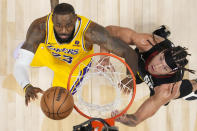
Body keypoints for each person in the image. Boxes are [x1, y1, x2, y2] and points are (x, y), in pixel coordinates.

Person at [13, 2, 138, 106]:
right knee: (19, 54)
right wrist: (26, 86)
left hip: (74, 65)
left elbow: (129, 52)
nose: (63, 30)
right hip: (51, 54)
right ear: (52, 20)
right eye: (58, 26)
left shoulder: (91, 31)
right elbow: (20, 66)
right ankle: (32, 50)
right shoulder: (40, 28)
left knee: (59, 103)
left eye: (68, 25)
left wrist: (131, 77)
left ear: (75, 19)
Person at [105, 25, 197, 126]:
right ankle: (160, 35)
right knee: (135, 57)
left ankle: (195, 85)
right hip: (149, 53)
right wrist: (104, 58)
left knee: (170, 97)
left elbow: (136, 120)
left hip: (165, 85)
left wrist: (125, 119)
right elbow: (108, 31)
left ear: (170, 72)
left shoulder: (165, 88)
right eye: (161, 58)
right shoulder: (147, 43)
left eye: (165, 68)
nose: (157, 66)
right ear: (161, 52)